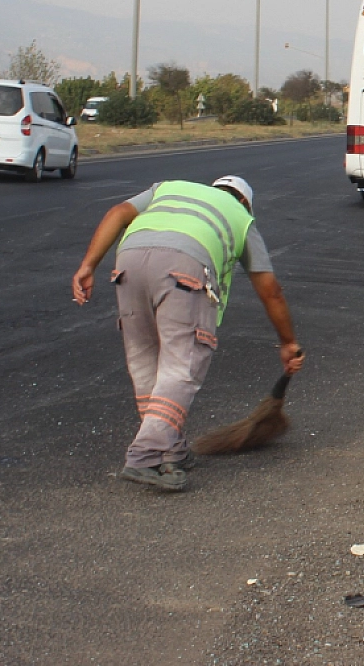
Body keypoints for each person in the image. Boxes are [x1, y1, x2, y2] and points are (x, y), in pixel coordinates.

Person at [71, 175, 303, 492]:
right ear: (246, 202)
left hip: (129, 261)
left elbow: (117, 213)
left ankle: (171, 450)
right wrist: (288, 342)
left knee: (145, 362)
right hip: (184, 266)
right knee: (182, 364)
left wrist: (88, 265)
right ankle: (145, 455)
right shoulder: (241, 218)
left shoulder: (167, 189)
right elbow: (270, 291)